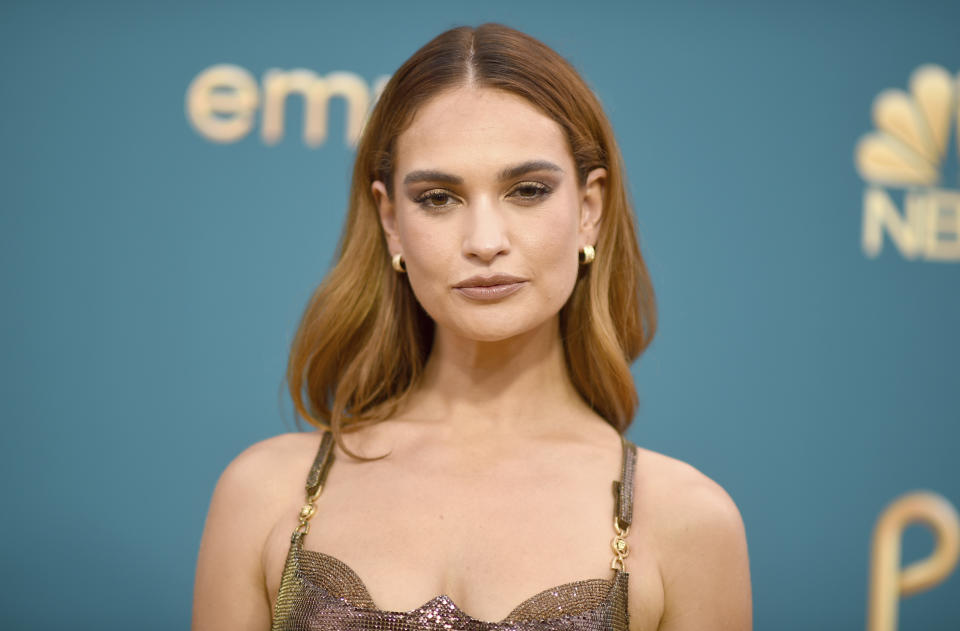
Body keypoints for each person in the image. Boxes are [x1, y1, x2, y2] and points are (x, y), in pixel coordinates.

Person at [192, 23, 752, 631]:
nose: (485, 242)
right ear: (391, 221)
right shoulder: (267, 493)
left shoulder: (685, 520)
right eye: (438, 198)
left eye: (528, 190)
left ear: (589, 210)